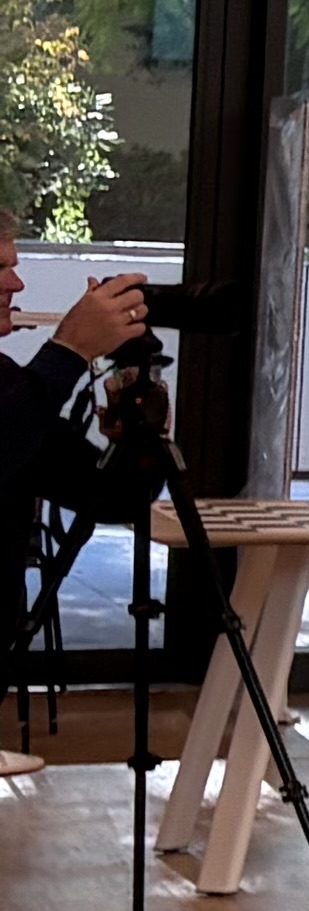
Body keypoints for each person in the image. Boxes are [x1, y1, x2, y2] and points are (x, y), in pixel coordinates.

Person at [2, 254, 158, 782]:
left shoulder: (7, 382)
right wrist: (68, 351)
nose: (16, 283)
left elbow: (108, 497)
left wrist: (137, 437)